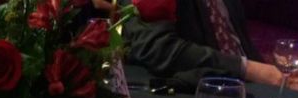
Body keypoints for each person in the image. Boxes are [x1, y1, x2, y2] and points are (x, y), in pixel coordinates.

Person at [121, 0, 283, 85]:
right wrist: (247, 69)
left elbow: (239, 44)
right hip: (195, 95)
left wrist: (275, 76)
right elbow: (158, 48)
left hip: (245, 88)